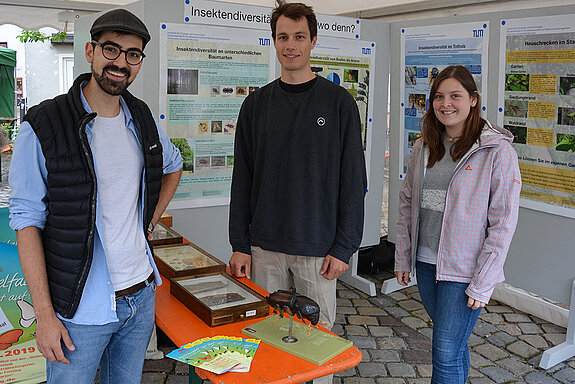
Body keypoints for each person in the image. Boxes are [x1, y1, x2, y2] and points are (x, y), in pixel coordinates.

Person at [9, 9, 182, 384]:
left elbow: (174, 165)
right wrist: (44, 314)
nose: (120, 62)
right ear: (90, 51)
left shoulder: (142, 117)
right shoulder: (43, 124)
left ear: (139, 62)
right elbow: (26, 221)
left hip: (140, 298)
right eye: (111, 49)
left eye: (132, 54)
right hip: (77, 310)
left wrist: (150, 219)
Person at [228, 0, 366, 355]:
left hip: (317, 250)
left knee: (318, 340)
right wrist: (239, 244)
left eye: (299, 37)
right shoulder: (255, 105)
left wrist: (344, 246)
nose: (291, 45)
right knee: (265, 335)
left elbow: (353, 180)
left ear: (313, 41)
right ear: (274, 42)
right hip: (264, 248)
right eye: (283, 37)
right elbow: (242, 179)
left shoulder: (339, 103)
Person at [394, 65, 521, 383]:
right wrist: (403, 255)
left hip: (463, 271)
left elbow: (503, 221)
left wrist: (485, 280)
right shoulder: (424, 146)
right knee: (452, 346)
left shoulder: (496, 151)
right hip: (425, 265)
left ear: (473, 99)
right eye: (439, 96)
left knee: (445, 352)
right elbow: (408, 203)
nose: (445, 103)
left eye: (455, 96)